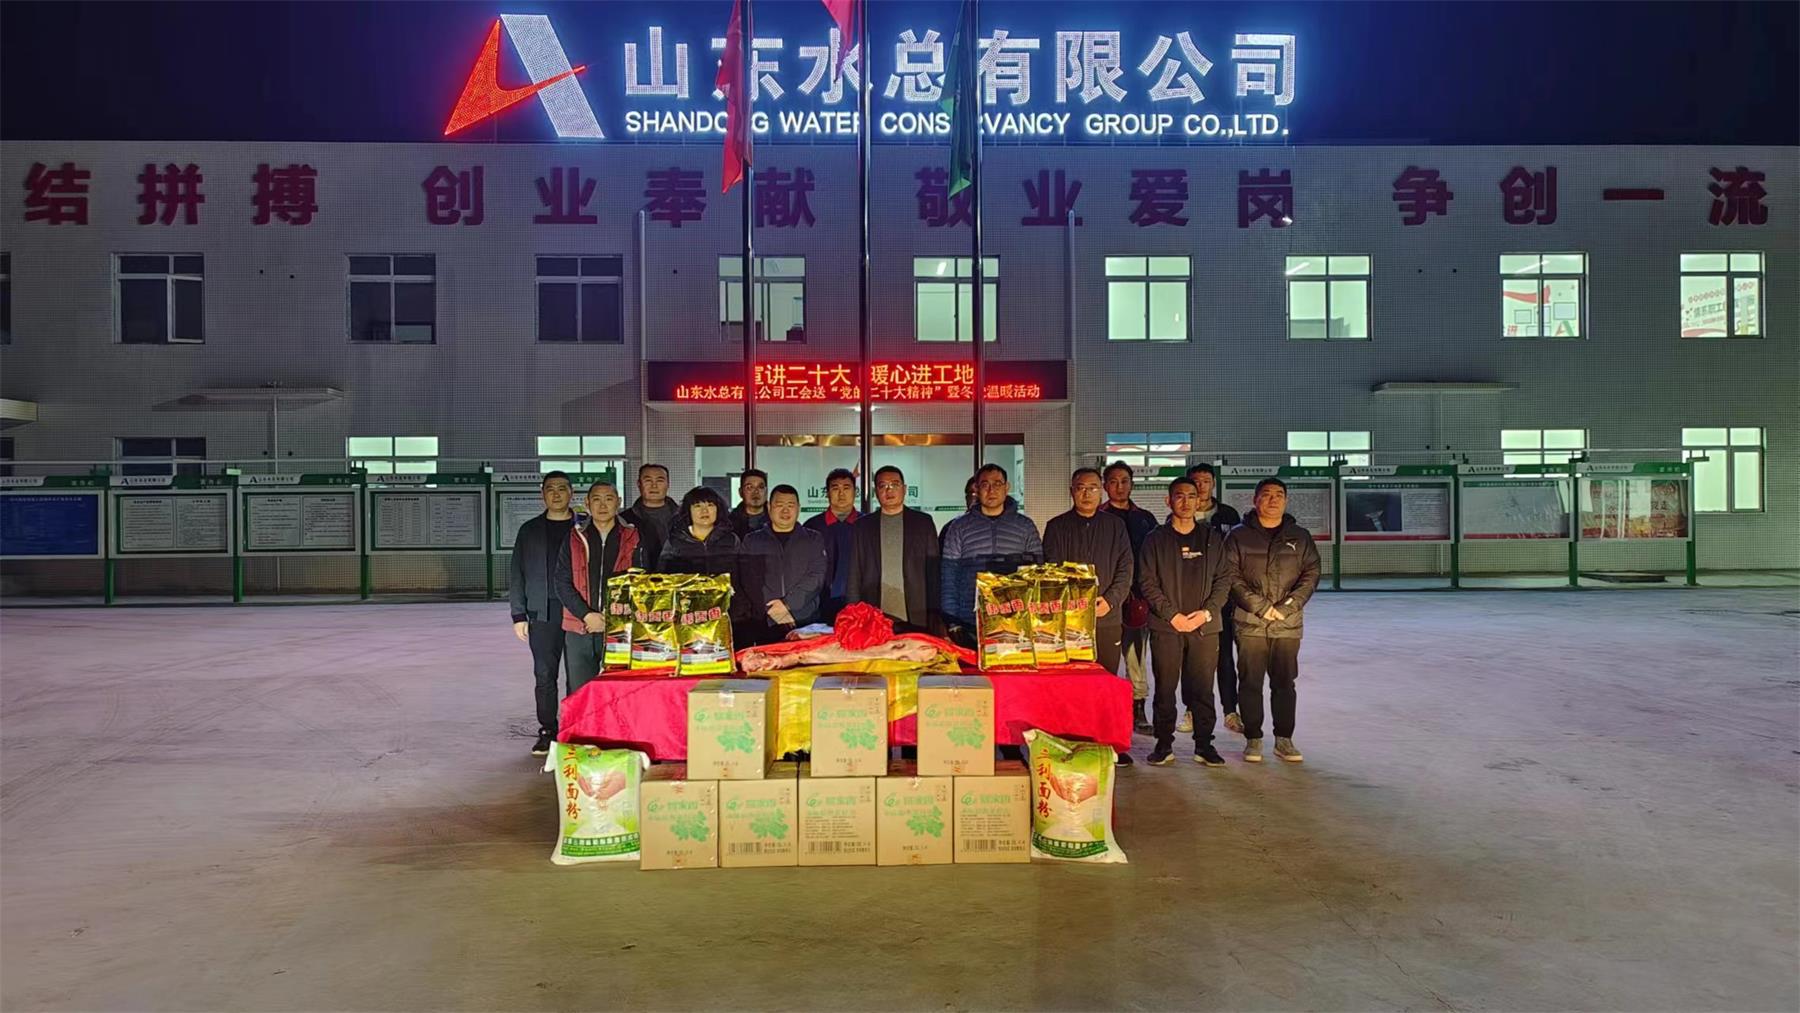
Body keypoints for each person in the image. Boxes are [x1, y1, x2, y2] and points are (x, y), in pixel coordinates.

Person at [1223, 477, 1322, 764]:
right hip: (1250, 621)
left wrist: (1288, 607)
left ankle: (1284, 740)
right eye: (1266, 494)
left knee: (1284, 682)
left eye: (1279, 494)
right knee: (1250, 682)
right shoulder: (1238, 536)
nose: (1273, 499)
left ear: (1286, 501)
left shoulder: (1300, 536)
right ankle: (1253, 738)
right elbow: (1230, 575)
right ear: (1255, 500)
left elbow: (1311, 573)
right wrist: (1260, 606)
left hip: (1287, 623)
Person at [1137, 476, 1233, 768]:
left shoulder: (1211, 538)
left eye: (1192, 496)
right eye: (1179, 496)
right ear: (1168, 501)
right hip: (1167, 626)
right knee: (1165, 688)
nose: (1186, 501)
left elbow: (1224, 579)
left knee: (1202, 688)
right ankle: (1163, 744)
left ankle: (1204, 745)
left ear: (1199, 500)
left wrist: (1207, 612)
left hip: (1205, 626)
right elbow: (1147, 581)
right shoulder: (1155, 539)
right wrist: (1172, 615)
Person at [1042, 467, 1135, 765]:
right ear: (1071, 491)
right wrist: (1071, 605)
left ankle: (1108, 744)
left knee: (1105, 682)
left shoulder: (1115, 526)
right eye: (1081, 487)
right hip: (1068, 621)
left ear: (1101, 491)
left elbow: (1126, 568)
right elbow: (1051, 570)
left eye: (1093, 488)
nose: (1087, 493)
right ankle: (1069, 741)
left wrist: (1111, 600)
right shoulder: (1057, 526)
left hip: (1106, 617)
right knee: (1070, 684)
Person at [509, 472, 578, 756]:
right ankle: (548, 730)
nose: (556, 494)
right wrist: (518, 615)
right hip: (543, 612)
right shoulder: (530, 530)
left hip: (579, 611)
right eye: (551, 489)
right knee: (545, 673)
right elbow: (517, 572)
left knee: (578, 674)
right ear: (543, 494)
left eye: (562, 488)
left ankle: (576, 726)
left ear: (572, 493)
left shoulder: (583, 527)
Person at [554, 480, 643, 694]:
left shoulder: (633, 536)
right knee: (580, 692)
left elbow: (641, 582)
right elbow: (561, 581)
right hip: (580, 627)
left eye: (609, 499)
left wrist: (611, 618)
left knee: (619, 692)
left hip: (620, 629)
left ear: (618, 502)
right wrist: (586, 615)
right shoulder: (574, 537)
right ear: (587, 503)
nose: (603, 505)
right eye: (596, 499)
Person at [940, 463, 1043, 647]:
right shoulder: (958, 527)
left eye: (997, 484)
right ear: (977, 488)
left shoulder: (1025, 526)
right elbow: (949, 577)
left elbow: (1037, 575)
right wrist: (952, 622)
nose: (991, 490)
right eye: (985, 484)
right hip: (969, 619)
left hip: (1015, 620)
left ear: (1007, 487)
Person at [1180, 462, 1246, 735]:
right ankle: (1191, 710)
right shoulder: (1180, 514)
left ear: (1213, 484)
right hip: (1189, 597)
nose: (1201, 486)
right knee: (1191, 659)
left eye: (1206, 481)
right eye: (1196, 481)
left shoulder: (1228, 515)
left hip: (1223, 598)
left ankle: (1230, 710)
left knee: (1225, 656)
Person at [847, 465, 942, 634]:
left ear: (904, 489)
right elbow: (854, 574)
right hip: (874, 617)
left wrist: (935, 615)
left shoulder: (923, 523)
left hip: (917, 615)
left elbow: (933, 573)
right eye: (883, 486)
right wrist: (854, 615)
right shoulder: (862, 526)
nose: (889, 490)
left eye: (894, 485)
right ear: (876, 492)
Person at [1101, 461, 1159, 735]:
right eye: (1113, 481)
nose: (1119, 486)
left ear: (1132, 484)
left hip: (1137, 599)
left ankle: (1138, 708)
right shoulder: (1098, 517)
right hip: (1105, 599)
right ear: (1105, 486)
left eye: (1124, 481)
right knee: (1104, 658)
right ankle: (1106, 707)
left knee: (1136, 656)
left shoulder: (1145, 519)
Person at [741, 485, 828, 644]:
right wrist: (776, 611)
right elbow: (749, 580)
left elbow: (817, 576)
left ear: (798, 508)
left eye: (791, 505)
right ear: (769, 507)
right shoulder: (752, 540)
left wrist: (787, 604)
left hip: (805, 620)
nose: (785, 510)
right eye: (779, 505)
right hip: (765, 622)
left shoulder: (813, 539)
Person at [803, 467, 859, 623]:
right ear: (827, 493)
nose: (841, 494)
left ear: (855, 492)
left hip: (858, 604)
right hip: (817, 605)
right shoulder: (812, 526)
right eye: (835, 489)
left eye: (846, 488)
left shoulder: (866, 525)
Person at [658, 486, 740, 576]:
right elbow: (662, 576)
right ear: (688, 511)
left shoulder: (731, 539)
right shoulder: (675, 541)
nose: (704, 511)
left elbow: (740, 572)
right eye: (697, 506)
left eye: (710, 505)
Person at [621, 463, 678, 568]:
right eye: (648, 481)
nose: (654, 486)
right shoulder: (624, 520)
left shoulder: (685, 518)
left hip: (679, 576)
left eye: (660, 481)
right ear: (639, 484)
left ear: (668, 484)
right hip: (639, 577)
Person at [728, 468, 769, 538]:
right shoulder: (729, 523)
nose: (756, 492)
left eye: (761, 487)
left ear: (766, 491)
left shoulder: (776, 519)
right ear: (740, 492)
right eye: (749, 487)